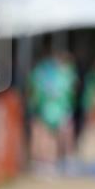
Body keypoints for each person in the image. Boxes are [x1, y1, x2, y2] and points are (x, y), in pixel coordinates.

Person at [27, 41, 78, 177]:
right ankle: (47, 162)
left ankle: (49, 162)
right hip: (50, 110)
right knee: (49, 137)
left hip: (53, 109)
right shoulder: (51, 73)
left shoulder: (47, 72)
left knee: (50, 137)